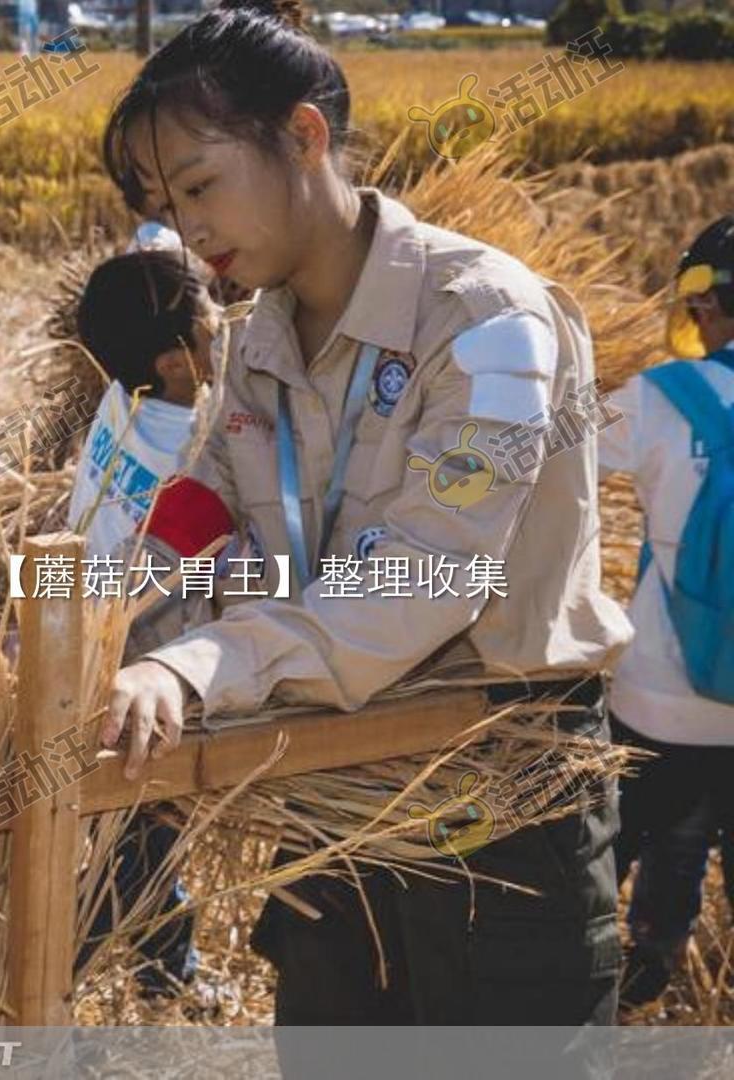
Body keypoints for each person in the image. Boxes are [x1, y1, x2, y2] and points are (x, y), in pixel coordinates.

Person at [95, 0, 630, 1031]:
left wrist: (194, 670)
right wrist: (101, 640)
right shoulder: (257, 344)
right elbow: (206, 525)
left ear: (304, 136)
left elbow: (424, 579)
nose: (187, 227)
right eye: (167, 201)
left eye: (201, 185)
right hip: (335, 821)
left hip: (493, 822)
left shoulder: (484, 321)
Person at [66, 237, 238, 1007]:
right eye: (209, 323)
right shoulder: (198, 450)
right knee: (135, 837)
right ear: (175, 363)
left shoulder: (122, 403)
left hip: (87, 633)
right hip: (141, 670)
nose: (222, 327)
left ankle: (169, 962)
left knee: (142, 832)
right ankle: (62, 968)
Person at [597, 214, 734, 1009]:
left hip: (661, 699)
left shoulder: (659, 398)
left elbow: (550, 468)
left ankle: (640, 971)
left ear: (707, 307)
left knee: (628, 844)